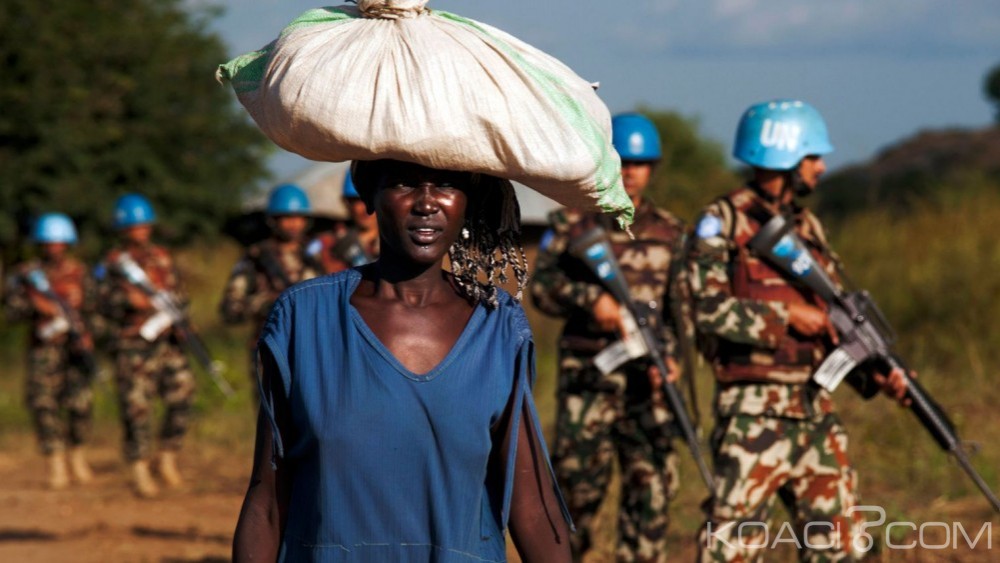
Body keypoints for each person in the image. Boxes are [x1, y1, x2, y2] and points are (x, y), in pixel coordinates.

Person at [233, 159, 573, 562]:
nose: (426, 203)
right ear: (370, 197)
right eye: (404, 184)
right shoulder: (305, 319)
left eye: (446, 184)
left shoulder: (497, 328)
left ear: (467, 200)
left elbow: (532, 505)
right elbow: (267, 502)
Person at [687, 100, 909, 561]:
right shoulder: (722, 222)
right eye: (813, 157)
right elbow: (705, 309)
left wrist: (874, 374)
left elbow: (834, 324)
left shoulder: (808, 228)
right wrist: (784, 318)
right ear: (784, 158)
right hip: (752, 415)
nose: (822, 167)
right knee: (732, 549)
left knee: (841, 548)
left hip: (814, 411)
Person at [531, 113, 688, 562]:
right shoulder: (570, 226)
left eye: (641, 163)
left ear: (653, 167)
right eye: (624, 160)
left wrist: (672, 361)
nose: (632, 171)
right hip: (589, 385)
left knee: (650, 499)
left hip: (650, 388)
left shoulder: (671, 233)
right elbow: (541, 288)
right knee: (574, 500)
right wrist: (590, 301)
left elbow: (681, 314)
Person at [97, 193, 196, 498]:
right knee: (136, 407)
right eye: (134, 226)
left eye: (144, 225)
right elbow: (98, 301)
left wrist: (181, 319)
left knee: (183, 391)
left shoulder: (162, 257)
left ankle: (167, 457)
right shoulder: (112, 265)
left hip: (166, 341)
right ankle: (139, 467)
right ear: (123, 229)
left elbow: (178, 293)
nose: (140, 231)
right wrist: (127, 300)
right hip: (133, 344)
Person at [3, 213, 97, 489]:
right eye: (48, 243)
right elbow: (11, 311)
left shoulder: (81, 273)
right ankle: (55, 462)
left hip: (75, 350)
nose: (53, 248)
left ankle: (77, 454)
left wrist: (89, 334)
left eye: (58, 242)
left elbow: (96, 308)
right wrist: (36, 305)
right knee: (44, 405)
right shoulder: (27, 275)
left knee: (81, 405)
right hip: (43, 350)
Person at [220, 183, 324, 396]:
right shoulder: (256, 258)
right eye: (286, 217)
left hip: (313, 350)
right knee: (273, 420)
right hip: (270, 351)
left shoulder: (315, 256)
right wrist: (266, 302)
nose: (293, 224)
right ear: (273, 220)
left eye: (298, 217)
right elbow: (230, 309)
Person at [311, 169, 381, 274]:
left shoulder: (397, 238)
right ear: (347, 203)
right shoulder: (334, 245)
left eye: (369, 198)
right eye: (358, 200)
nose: (366, 208)